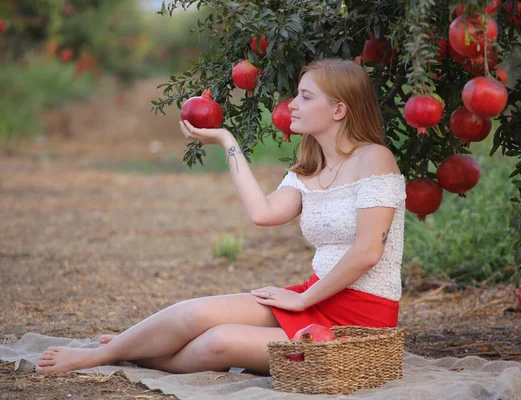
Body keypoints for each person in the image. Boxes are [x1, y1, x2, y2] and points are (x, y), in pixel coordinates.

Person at [35, 58, 406, 375]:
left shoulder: (374, 159)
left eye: (305, 97)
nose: (292, 104)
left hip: (360, 320)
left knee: (218, 341)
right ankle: (114, 352)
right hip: (314, 296)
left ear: (339, 109)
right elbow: (262, 213)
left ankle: (127, 354)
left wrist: (302, 300)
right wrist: (227, 141)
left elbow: (367, 251)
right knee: (192, 314)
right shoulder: (310, 169)